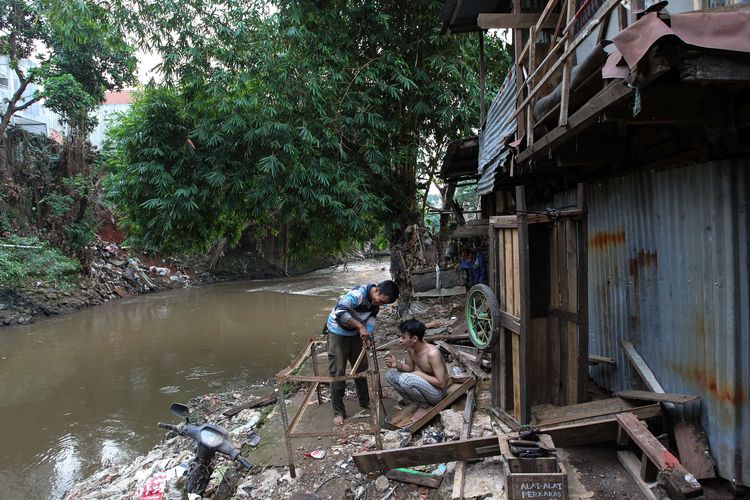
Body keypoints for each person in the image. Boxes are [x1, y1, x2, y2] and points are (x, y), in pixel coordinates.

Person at [326, 280, 399, 426]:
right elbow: (340, 311)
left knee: (361, 367)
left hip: (354, 332)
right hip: (337, 330)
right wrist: (360, 327)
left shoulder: (376, 304)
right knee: (338, 371)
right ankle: (338, 412)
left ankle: (365, 400)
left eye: (383, 304)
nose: (379, 305)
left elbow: (371, 319)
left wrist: (368, 335)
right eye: (380, 301)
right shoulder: (358, 294)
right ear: (376, 290)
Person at [384, 319, 449, 425]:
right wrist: (397, 365)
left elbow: (441, 383)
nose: (400, 340)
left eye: (403, 337)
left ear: (414, 338)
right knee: (390, 374)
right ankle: (414, 403)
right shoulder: (411, 349)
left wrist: (420, 374)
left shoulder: (432, 353)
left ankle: (424, 406)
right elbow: (410, 368)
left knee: (406, 379)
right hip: (426, 388)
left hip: (438, 393)